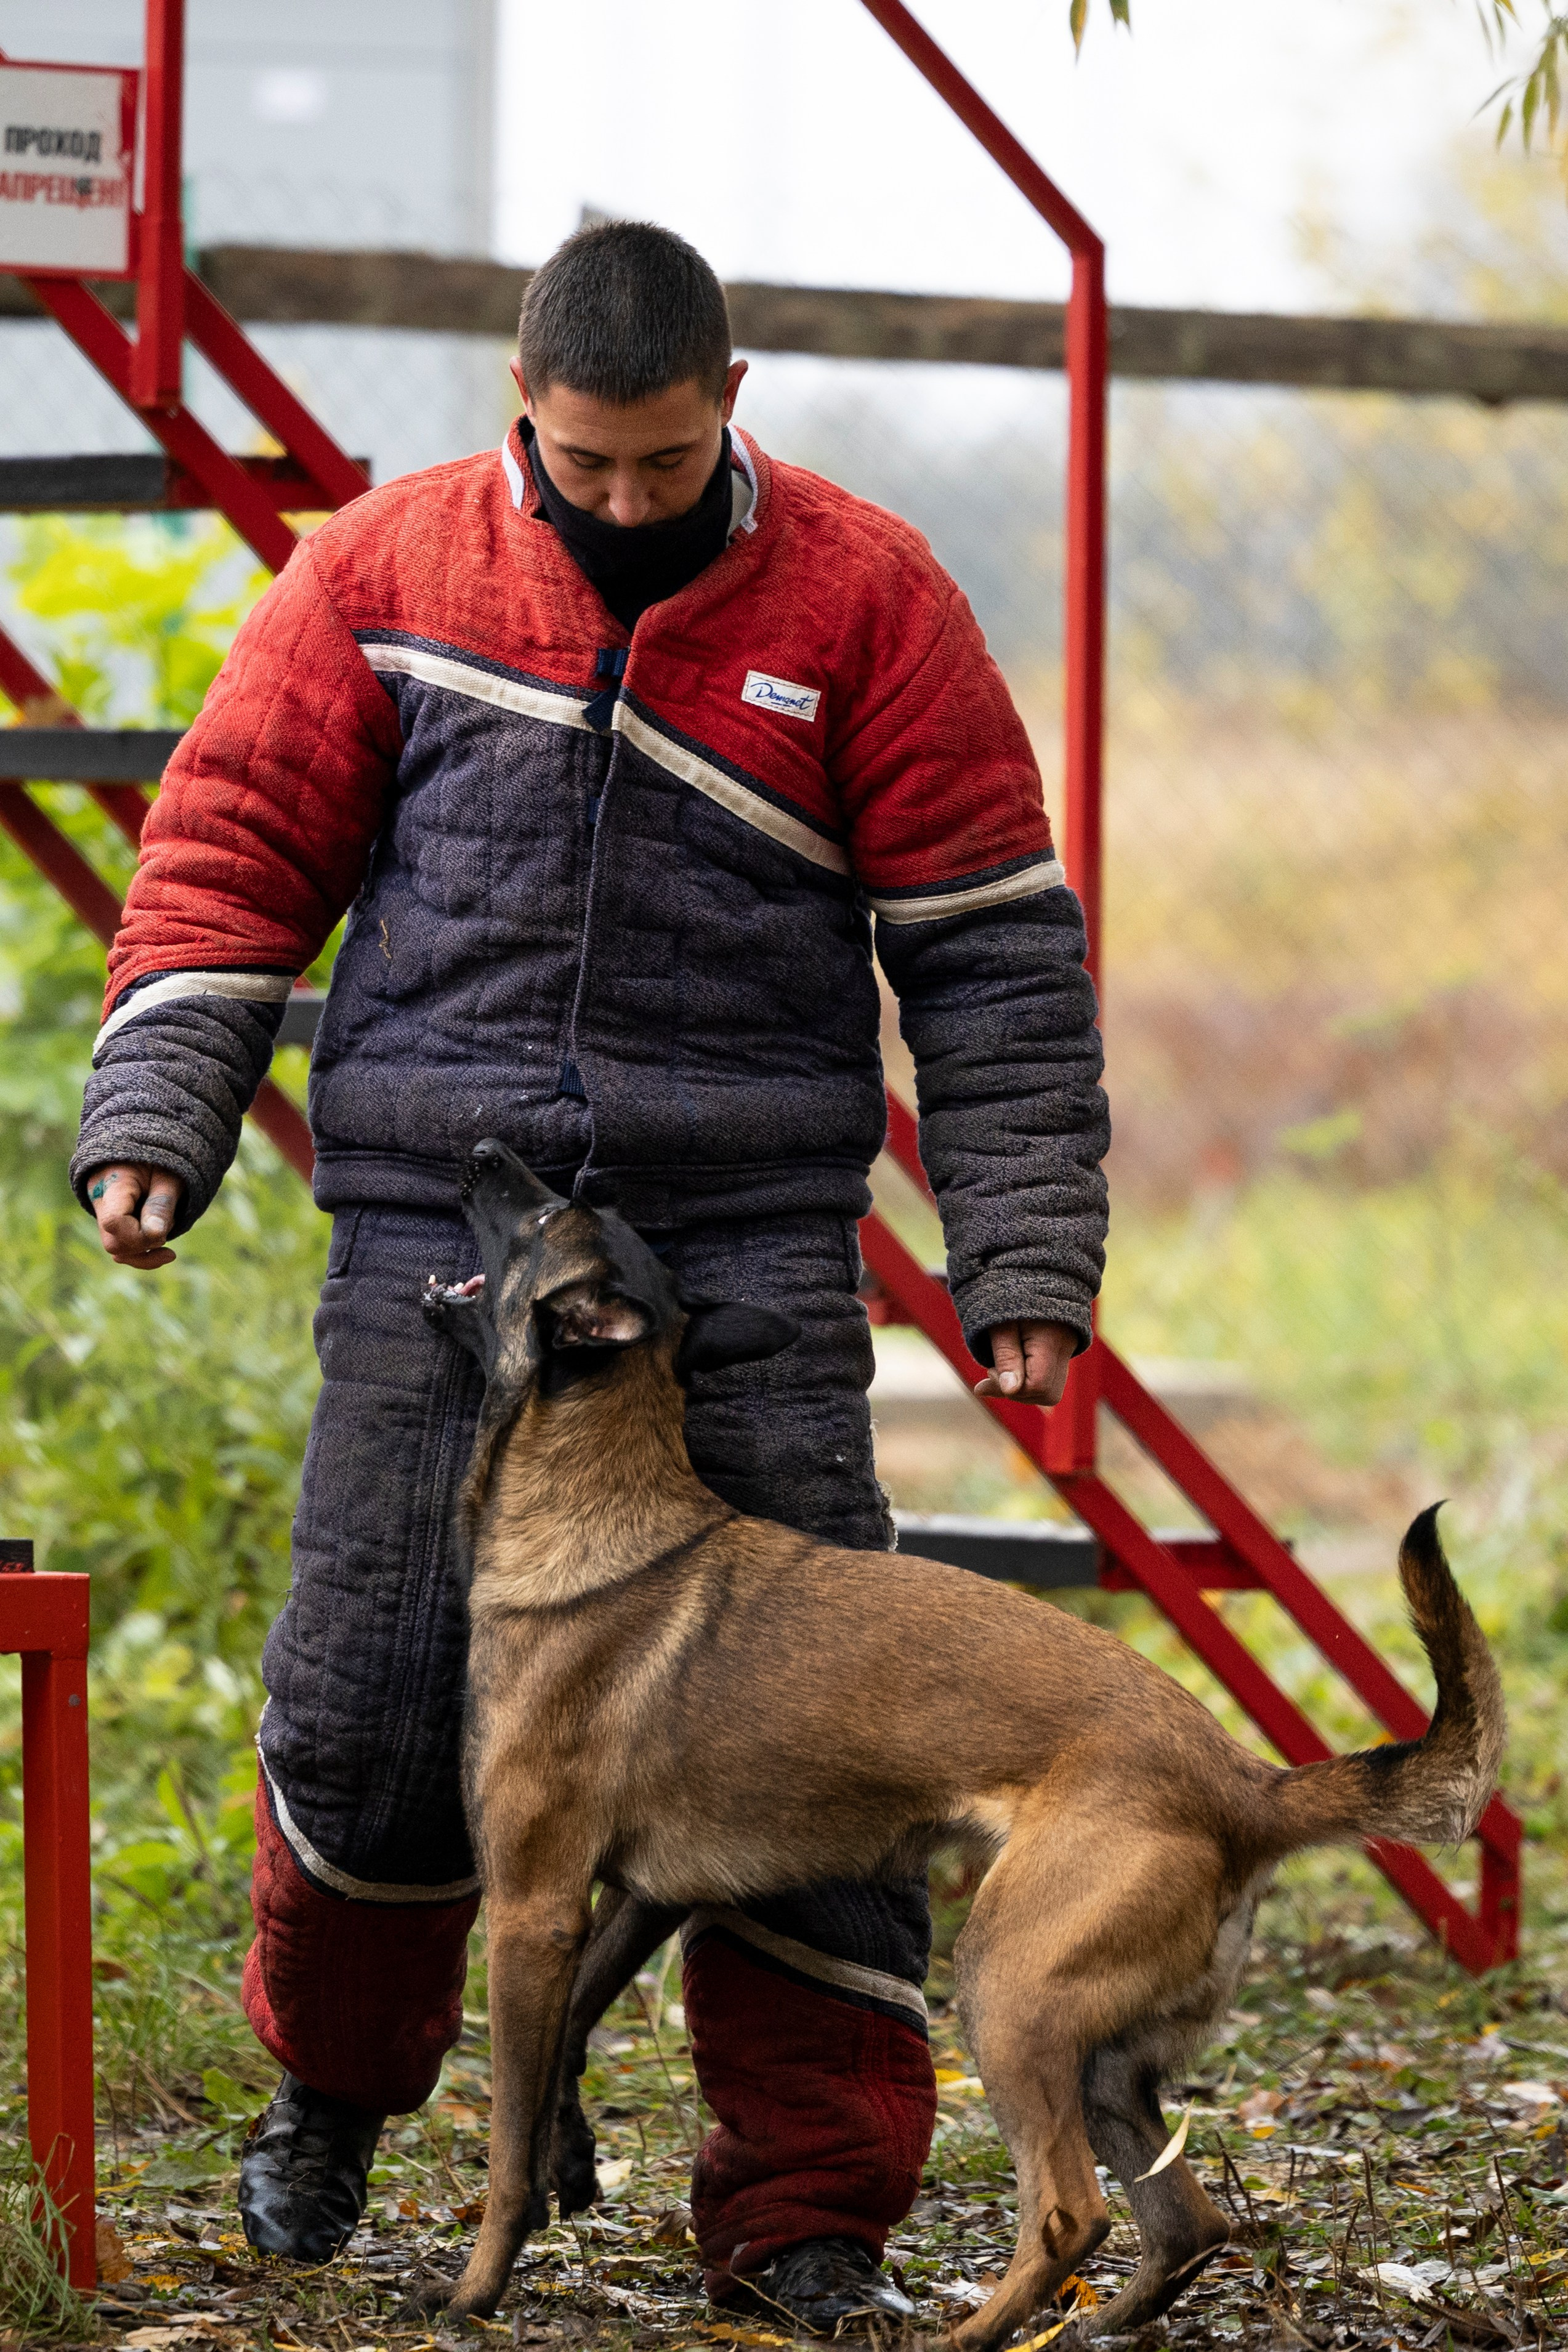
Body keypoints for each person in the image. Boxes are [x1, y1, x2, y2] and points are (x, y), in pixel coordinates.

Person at [74, 222, 1109, 2330]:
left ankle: (803, 2216)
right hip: (436, 1245)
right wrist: (158, 1122)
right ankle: (337, 2098)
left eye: (659, 461)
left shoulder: (868, 595)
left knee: (834, 1741)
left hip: (734, 1254)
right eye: (582, 462)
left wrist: (1018, 1255)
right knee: (372, 1717)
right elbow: (230, 842)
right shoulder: (379, 572)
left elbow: (992, 957)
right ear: (517, 411)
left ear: (730, 398)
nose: (621, 501)